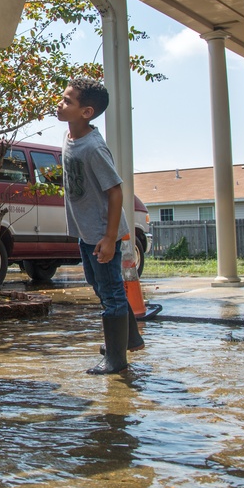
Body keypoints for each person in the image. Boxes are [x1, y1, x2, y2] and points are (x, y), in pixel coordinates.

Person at [57, 77, 142, 374]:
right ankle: (128, 338)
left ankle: (116, 360)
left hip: (102, 233)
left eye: (68, 101)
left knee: (111, 294)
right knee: (102, 286)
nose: (60, 102)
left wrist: (109, 238)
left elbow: (115, 191)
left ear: (86, 112)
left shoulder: (93, 147)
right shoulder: (70, 138)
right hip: (86, 231)